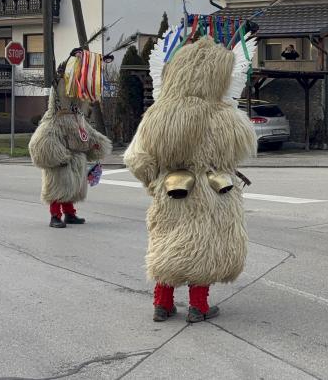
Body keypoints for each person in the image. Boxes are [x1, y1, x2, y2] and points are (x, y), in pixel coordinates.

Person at [125, 26, 257, 323]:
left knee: (168, 242)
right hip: (214, 192)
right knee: (204, 244)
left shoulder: (158, 116)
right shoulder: (228, 117)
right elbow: (238, 153)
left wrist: (154, 183)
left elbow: (137, 160)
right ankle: (199, 306)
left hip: (171, 190)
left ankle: (162, 304)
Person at [29, 47, 112, 229]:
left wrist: (95, 144)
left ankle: (70, 213)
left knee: (72, 187)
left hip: (76, 157)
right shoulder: (55, 118)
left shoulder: (77, 116)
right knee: (57, 186)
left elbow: (86, 132)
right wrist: (57, 155)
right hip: (62, 159)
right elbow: (41, 142)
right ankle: (55, 215)